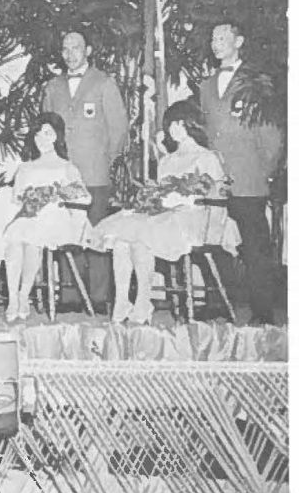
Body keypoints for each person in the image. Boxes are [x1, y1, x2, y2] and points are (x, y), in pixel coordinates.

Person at [95, 101, 241, 324]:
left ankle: (143, 301)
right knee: (123, 239)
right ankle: (123, 300)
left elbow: (217, 196)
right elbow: (160, 193)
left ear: (191, 125)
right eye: (171, 124)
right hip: (167, 215)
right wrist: (156, 199)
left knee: (141, 234)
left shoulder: (207, 157)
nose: (174, 129)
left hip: (197, 218)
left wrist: (186, 198)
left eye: (180, 124)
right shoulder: (167, 161)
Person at [0, 113, 91, 322]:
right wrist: (28, 198)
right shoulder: (26, 167)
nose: (42, 139)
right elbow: (17, 198)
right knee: (15, 236)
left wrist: (53, 192)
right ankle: (14, 299)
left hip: (56, 217)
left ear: (57, 136)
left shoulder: (66, 167)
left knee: (31, 237)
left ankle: (24, 294)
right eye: (38, 134)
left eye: (47, 133)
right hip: (28, 215)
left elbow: (84, 196)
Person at [197, 21, 283, 325]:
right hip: (214, 182)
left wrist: (263, 172)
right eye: (213, 37)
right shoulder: (206, 86)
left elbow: (270, 134)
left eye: (223, 37)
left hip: (248, 178)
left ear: (239, 40)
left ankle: (262, 311)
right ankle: (219, 305)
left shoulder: (256, 81)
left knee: (254, 248)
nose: (216, 42)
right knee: (214, 240)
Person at [42, 31, 128, 313]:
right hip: (63, 175)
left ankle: (99, 297)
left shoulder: (104, 83)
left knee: (96, 235)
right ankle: (70, 297)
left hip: (94, 174)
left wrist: (105, 160)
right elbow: (45, 128)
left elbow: (119, 130)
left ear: (88, 50)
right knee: (68, 233)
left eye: (76, 48)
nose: (70, 54)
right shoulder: (53, 86)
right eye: (65, 48)